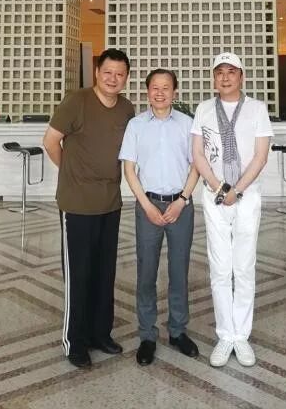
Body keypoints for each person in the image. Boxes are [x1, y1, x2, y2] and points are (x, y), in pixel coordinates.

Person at [43, 48, 135, 368]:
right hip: (78, 204)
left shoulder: (126, 108)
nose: (113, 78)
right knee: (79, 274)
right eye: (107, 72)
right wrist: (71, 172)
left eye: (119, 74)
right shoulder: (77, 101)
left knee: (104, 272)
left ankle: (100, 334)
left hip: (110, 202)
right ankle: (75, 342)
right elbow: (50, 141)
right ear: (97, 72)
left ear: (126, 78)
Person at [191, 52, 273, 368]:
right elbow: (197, 154)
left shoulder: (257, 109)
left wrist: (236, 190)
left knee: (244, 266)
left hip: (246, 195)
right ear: (214, 78)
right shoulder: (203, 109)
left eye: (231, 72)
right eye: (219, 72)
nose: (225, 78)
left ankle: (242, 336)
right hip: (215, 194)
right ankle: (226, 335)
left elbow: (261, 156)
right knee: (220, 268)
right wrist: (218, 187)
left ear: (241, 77)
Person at [120, 68, 200, 366]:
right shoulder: (136, 125)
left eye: (166, 87)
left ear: (174, 92)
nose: (160, 92)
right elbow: (129, 169)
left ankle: (178, 331)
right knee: (146, 272)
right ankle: (147, 335)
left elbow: (196, 166)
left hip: (181, 205)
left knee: (179, 270)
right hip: (148, 204)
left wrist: (182, 200)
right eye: (155, 87)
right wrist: (146, 205)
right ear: (147, 91)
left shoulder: (188, 125)